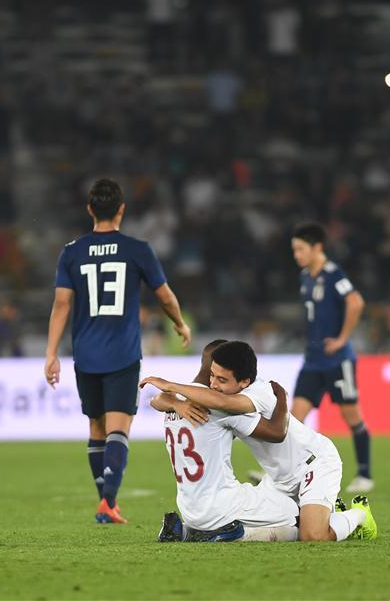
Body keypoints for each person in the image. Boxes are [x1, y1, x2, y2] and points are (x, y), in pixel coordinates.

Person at [44, 178, 191, 525]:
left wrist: (51, 353)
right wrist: (180, 323)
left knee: (96, 428)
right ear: (122, 210)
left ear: (90, 210)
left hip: (86, 354)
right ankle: (108, 502)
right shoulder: (138, 250)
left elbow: (61, 305)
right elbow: (165, 296)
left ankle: (106, 502)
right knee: (118, 430)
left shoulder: (72, 251)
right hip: (123, 354)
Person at [144, 340, 376, 542]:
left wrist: (171, 387)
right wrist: (176, 402)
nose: (214, 384)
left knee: (313, 535)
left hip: (313, 462)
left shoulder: (258, 393)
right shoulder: (219, 395)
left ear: (244, 381)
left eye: (222, 379)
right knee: (259, 524)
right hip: (276, 477)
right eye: (212, 376)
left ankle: (358, 515)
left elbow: (275, 431)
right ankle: (323, 509)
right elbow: (159, 400)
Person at [150, 341, 301, 542]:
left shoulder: (175, 400)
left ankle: (186, 531)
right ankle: (231, 532)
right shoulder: (221, 404)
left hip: (189, 510)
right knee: (293, 513)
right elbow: (276, 432)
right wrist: (282, 397)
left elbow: (156, 400)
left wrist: (173, 402)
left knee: (255, 496)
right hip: (222, 506)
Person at [289, 223, 373, 493]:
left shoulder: (334, 274)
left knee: (351, 415)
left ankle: (364, 474)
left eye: (301, 249)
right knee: (294, 418)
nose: (297, 254)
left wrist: (342, 339)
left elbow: (356, 302)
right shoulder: (306, 276)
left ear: (317, 248)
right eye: (294, 249)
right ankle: (291, 474)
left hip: (337, 360)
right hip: (312, 361)